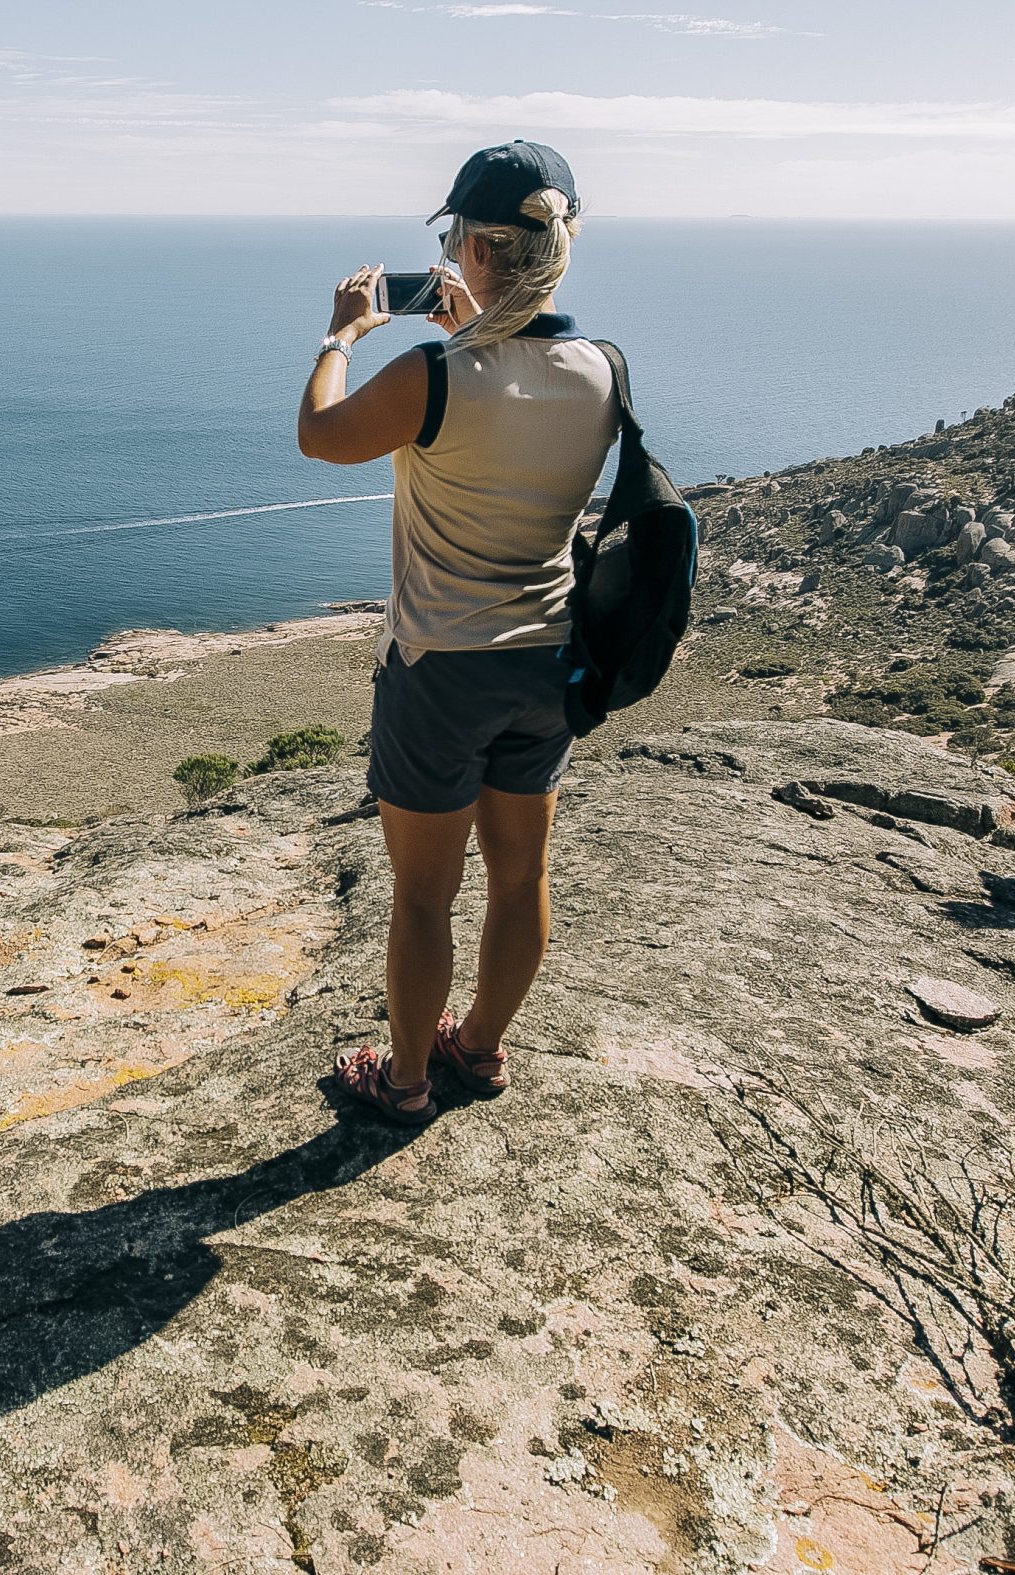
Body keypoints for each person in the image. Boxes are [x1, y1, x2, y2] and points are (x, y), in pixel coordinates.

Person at [294, 140, 620, 1124]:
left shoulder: (435, 374)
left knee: (424, 899)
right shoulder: (602, 368)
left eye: (453, 237)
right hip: (549, 660)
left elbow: (323, 435)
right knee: (521, 878)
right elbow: (524, 391)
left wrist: (343, 335)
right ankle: (478, 1049)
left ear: (474, 245)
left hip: (441, 669)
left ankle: (401, 1084)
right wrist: (478, 320)